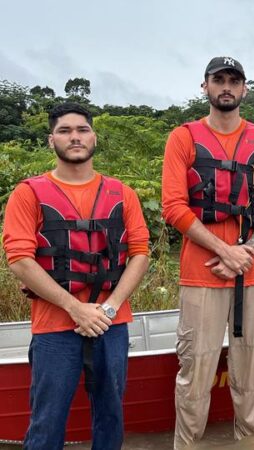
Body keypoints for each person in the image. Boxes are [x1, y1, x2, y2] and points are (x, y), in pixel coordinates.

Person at [2, 102, 150, 449]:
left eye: (82, 129)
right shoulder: (29, 193)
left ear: (94, 136)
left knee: (111, 416)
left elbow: (140, 253)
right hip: (54, 327)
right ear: (51, 139)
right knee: (47, 420)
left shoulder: (122, 193)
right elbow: (20, 259)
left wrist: (109, 308)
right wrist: (75, 308)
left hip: (111, 323)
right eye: (65, 131)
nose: (75, 137)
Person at [161, 56, 254, 447]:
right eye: (219, 80)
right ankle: (188, 444)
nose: (226, 87)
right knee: (195, 372)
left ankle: (245, 440)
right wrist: (224, 251)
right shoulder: (183, 137)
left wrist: (245, 251)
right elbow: (173, 207)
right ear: (206, 87)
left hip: (253, 273)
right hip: (201, 274)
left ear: (244, 88)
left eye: (234, 80)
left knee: (248, 371)